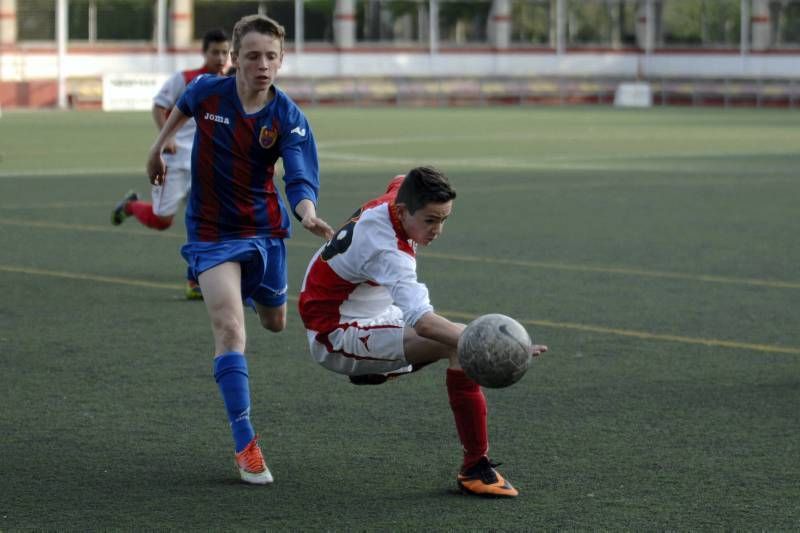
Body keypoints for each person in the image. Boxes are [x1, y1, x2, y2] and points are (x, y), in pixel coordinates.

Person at [146, 14, 334, 485]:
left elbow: (298, 172)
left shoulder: (287, 116)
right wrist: (158, 147)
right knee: (230, 328)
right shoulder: (210, 91)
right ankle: (245, 444)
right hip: (210, 232)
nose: (263, 65)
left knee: (274, 323)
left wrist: (307, 212)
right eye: (253, 56)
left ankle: (251, 289)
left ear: (282, 60)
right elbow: (182, 106)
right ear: (237, 59)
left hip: (265, 231)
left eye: (271, 57)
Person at [298, 166, 548, 498]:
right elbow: (424, 322)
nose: (438, 230)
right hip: (335, 334)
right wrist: (498, 347)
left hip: (367, 310)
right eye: (430, 220)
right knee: (458, 344)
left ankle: (378, 369)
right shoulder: (389, 251)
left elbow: (401, 177)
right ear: (402, 211)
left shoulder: (400, 196)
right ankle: (475, 468)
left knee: (456, 336)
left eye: (444, 219)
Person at [112, 29, 231, 300]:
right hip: (175, 161)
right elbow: (158, 106)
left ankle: (195, 280)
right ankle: (131, 205)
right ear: (204, 53)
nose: (221, 57)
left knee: (205, 221)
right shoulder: (186, 79)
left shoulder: (230, 83)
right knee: (162, 220)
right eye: (215, 52)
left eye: (225, 52)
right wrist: (167, 137)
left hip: (206, 164)